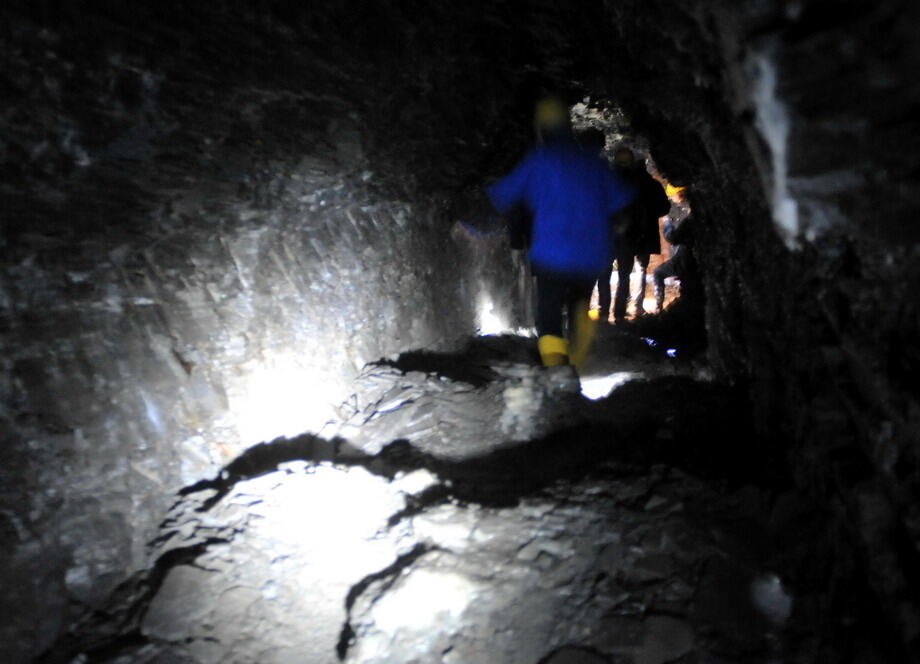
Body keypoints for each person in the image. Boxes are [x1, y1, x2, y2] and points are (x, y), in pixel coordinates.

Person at [486, 97, 634, 370]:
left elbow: (501, 195)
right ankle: (578, 349)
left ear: (541, 128)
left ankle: (556, 368)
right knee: (579, 300)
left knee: (549, 311)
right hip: (592, 254)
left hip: (553, 253)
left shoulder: (539, 159)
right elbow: (623, 205)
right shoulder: (594, 162)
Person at [604, 147, 671, 323]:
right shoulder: (650, 183)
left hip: (619, 234)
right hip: (644, 233)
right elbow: (664, 208)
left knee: (620, 272)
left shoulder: (613, 182)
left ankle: (611, 312)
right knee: (640, 269)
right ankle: (636, 307)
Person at [653, 207, 699, 312]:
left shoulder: (691, 220)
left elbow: (672, 238)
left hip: (685, 260)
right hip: (695, 261)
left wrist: (667, 223)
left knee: (658, 272)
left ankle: (658, 307)